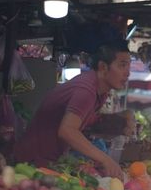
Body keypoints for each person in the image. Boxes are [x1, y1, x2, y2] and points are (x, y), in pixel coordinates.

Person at [14, 40, 134, 178]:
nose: (127, 73)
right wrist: (105, 159)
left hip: (50, 161)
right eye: (122, 65)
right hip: (31, 164)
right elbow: (67, 131)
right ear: (103, 67)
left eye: (128, 66)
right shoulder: (86, 90)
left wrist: (119, 120)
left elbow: (86, 124)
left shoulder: (100, 91)